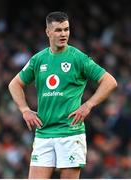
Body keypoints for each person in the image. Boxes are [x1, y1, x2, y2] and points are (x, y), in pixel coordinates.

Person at [8, 11, 117, 179]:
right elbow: (14, 84)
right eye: (58, 30)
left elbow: (110, 81)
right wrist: (24, 109)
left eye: (66, 29)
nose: (64, 34)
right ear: (48, 32)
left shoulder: (78, 58)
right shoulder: (38, 59)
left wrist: (88, 105)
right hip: (44, 133)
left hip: (70, 133)